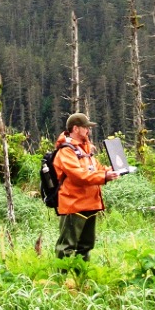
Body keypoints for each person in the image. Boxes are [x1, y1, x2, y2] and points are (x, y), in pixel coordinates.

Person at [53, 112, 119, 261]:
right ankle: (62, 280)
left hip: (90, 204)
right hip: (73, 204)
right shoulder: (66, 151)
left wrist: (112, 171)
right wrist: (103, 177)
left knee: (86, 246)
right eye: (85, 128)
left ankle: (82, 279)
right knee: (67, 247)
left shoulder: (85, 150)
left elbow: (96, 169)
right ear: (75, 129)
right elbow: (78, 176)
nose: (88, 130)